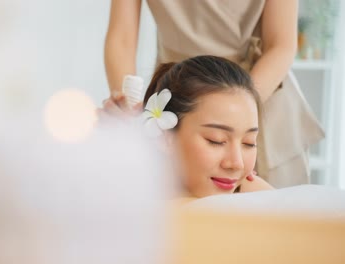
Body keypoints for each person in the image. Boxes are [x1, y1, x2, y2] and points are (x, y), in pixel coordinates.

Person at [103, 0, 324, 188]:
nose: (235, 163)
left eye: (248, 143)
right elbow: (121, 39)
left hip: (257, 97)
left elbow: (281, 45)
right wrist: (130, 104)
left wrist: (235, 111)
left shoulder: (241, 146)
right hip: (179, 103)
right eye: (215, 140)